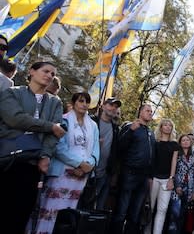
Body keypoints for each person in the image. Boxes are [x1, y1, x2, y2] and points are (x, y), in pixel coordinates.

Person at [0, 61, 65, 234]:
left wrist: (46, 155)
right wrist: (49, 126)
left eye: (53, 74)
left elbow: (57, 133)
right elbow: (15, 118)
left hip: (32, 164)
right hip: (7, 159)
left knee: (21, 213)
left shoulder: (55, 102)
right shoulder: (12, 93)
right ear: (32, 72)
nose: (50, 75)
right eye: (46, 71)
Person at [28, 92, 100, 234]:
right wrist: (79, 163)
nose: (84, 104)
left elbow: (96, 150)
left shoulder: (93, 125)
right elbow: (59, 148)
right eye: (81, 101)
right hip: (62, 172)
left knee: (68, 213)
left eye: (87, 102)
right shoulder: (63, 120)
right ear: (73, 103)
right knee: (51, 210)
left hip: (81, 175)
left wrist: (87, 166)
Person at [111, 104, 156, 234]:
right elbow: (120, 146)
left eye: (151, 112)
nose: (150, 113)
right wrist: (131, 130)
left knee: (135, 213)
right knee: (122, 210)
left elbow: (152, 156)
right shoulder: (130, 126)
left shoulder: (150, 133)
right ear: (140, 112)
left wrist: (150, 177)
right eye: (147, 111)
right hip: (129, 174)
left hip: (143, 178)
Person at [83, 97, 122, 210]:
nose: (113, 109)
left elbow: (117, 152)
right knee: (83, 202)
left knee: (97, 206)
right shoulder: (91, 121)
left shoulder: (115, 129)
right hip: (86, 169)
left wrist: (114, 173)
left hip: (105, 173)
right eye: (111, 105)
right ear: (103, 106)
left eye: (116, 107)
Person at [149, 118, 180, 234]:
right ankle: (147, 231)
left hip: (167, 180)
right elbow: (151, 160)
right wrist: (149, 178)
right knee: (150, 208)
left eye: (169, 125)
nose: (167, 127)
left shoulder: (174, 144)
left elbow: (174, 162)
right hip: (154, 178)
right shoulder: (154, 142)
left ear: (172, 128)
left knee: (163, 209)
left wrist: (171, 179)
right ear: (161, 127)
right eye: (165, 125)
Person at [168, 134, 194, 234]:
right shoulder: (177, 155)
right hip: (177, 188)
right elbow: (174, 171)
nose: (185, 142)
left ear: (190, 142)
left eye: (187, 140)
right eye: (183, 140)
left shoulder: (193, 157)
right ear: (180, 143)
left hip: (189, 189)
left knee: (184, 216)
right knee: (175, 215)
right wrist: (177, 186)